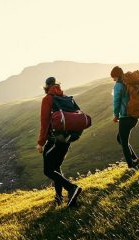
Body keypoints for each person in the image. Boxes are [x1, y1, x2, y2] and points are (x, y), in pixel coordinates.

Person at [36, 76, 82, 207]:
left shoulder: (47, 99)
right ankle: (59, 198)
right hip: (66, 139)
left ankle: (72, 188)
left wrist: (40, 143)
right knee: (56, 167)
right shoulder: (65, 97)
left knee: (48, 170)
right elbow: (78, 113)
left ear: (46, 87)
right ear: (57, 85)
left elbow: (44, 123)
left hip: (54, 140)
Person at [111, 66, 139, 170]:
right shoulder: (129, 83)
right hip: (134, 116)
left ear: (116, 76)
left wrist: (115, 115)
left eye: (113, 77)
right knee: (120, 138)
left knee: (123, 142)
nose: (113, 79)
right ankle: (135, 160)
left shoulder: (118, 86)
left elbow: (116, 101)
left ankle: (131, 166)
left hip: (125, 117)